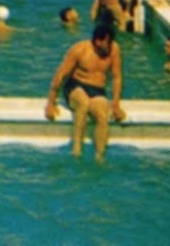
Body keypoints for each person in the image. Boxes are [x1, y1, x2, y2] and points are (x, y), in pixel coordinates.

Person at [44, 22, 125, 161]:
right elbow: (61, 75)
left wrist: (116, 104)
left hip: (97, 89)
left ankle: (100, 156)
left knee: (102, 114)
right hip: (76, 85)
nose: (110, 46)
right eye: (108, 42)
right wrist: (51, 103)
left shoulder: (114, 50)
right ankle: (77, 151)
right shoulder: (79, 50)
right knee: (83, 103)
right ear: (98, 42)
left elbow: (117, 77)